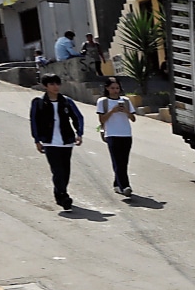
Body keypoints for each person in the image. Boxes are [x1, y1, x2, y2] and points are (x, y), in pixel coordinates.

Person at [29, 73, 85, 211]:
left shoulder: (66, 101)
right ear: (45, 86)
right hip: (49, 142)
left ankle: (59, 193)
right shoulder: (38, 102)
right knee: (57, 170)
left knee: (65, 171)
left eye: (57, 84)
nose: (56, 87)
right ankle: (63, 196)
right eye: (52, 84)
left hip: (66, 141)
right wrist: (37, 140)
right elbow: (34, 121)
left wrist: (79, 133)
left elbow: (78, 117)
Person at [96, 75, 136, 196]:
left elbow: (133, 118)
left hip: (126, 134)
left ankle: (117, 184)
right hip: (112, 134)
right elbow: (102, 120)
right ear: (107, 88)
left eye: (117, 88)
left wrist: (126, 111)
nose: (115, 90)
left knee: (123, 162)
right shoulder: (102, 102)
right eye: (112, 88)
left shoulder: (126, 101)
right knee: (117, 161)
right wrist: (112, 111)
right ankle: (125, 186)